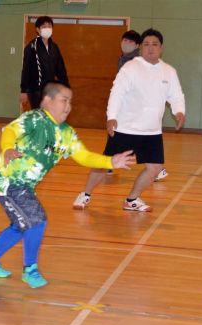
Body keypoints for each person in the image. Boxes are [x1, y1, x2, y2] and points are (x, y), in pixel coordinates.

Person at [0, 82, 135, 288]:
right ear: (48, 101)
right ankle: (30, 269)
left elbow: (83, 156)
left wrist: (110, 162)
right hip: (7, 179)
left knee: (22, 224)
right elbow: (10, 132)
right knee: (37, 220)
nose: (68, 106)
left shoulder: (66, 133)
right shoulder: (35, 119)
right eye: (63, 100)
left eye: (71, 101)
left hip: (24, 185)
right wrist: (7, 149)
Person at [75, 28, 184, 213]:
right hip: (126, 128)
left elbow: (176, 95)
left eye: (155, 44)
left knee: (155, 168)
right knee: (105, 164)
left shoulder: (169, 71)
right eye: (147, 44)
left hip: (152, 132)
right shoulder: (131, 67)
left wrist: (179, 111)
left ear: (161, 47)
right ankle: (85, 194)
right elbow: (116, 93)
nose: (151, 48)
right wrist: (111, 117)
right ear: (141, 47)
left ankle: (132, 199)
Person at [20, 16, 69, 110]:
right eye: (44, 26)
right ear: (38, 29)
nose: (47, 29)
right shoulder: (31, 47)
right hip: (35, 90)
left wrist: (65, 86)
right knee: (39, 115)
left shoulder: (54, 47)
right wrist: (23, 90)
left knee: (49, 116)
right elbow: (26, 69)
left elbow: (60, 69)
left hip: (50, 90)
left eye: (49, 26)